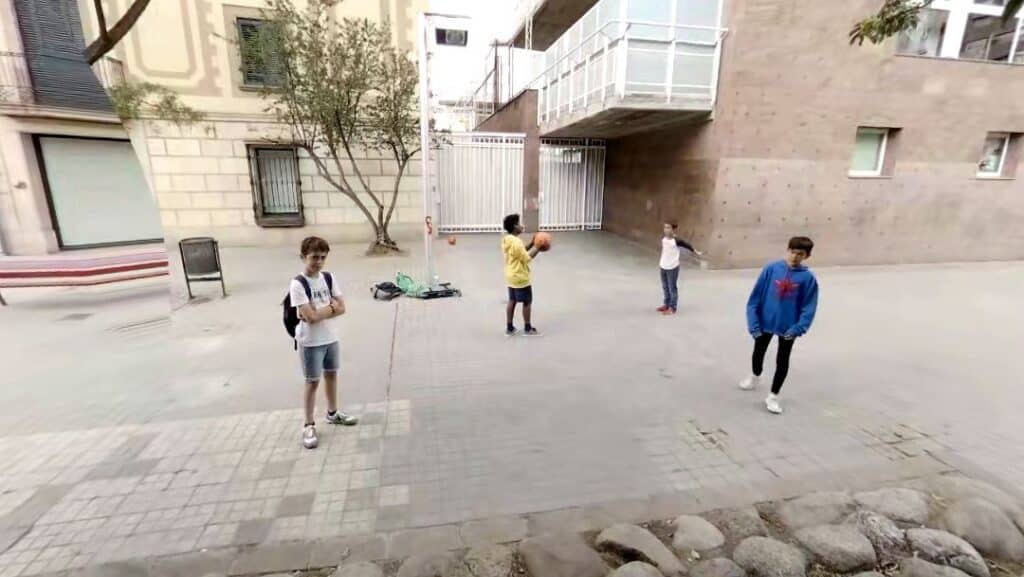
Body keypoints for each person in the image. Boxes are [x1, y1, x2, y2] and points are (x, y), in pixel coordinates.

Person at [289, 236, 358, 449]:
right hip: (310, 342)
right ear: (303, 257)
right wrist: (330, 309)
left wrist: (320, 312)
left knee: (331, 375)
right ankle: (308, 424)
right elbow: (309, 317)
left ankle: (332, 412)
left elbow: (343, 307)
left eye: (322, 257)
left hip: (330, 337)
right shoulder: (298, 284)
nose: (318, 262)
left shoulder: (328, 278)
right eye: (313, 257)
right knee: (312, 382)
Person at [739, 236, 819, 415]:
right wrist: (754, 323)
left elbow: (809, 307)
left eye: (800, 254)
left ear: (807, 256)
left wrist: (798, 328)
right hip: (765, 323)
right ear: (787, 250)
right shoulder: (771, 269)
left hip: (788, 327)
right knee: (758, 351)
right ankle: (755, 376)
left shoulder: (808, 278)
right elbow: (755, 298)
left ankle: (773, 396)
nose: (795, 256)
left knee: (782, 360)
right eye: (792, 252)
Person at [502, 213, 542, 336]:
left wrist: (531, 243)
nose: (522, 225)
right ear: (515, 226)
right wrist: (538, 247)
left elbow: (520, 252)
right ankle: (528, 328)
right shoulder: (517, 242)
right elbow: (527, 258)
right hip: (520, 277)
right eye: (519, 223)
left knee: (512, 300)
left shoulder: (507, 239)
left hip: (511, 276)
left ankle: (509, 328)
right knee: (527, 302)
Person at [658, 221, 703, 315]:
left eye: (668, 228)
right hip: (663, 266)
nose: (666, 230)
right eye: (665, 227)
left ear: (673, 229)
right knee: (665, 287)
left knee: (672, 287)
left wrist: (696, 252)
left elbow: (687, 245)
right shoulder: (664, 239)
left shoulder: (676, 240)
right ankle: (666, 304)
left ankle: (672, 307)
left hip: (672, 267)